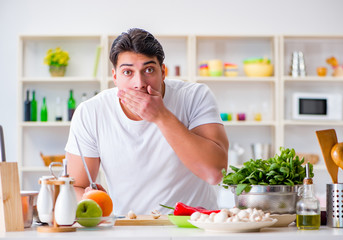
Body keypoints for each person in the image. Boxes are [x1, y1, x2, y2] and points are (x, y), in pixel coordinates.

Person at [65, 28, 229, 216]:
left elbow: (215, 173)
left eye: (149, 70)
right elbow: (76, 186)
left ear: (163, 72)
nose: (139, 83)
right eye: (128, 72)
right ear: (115, 77)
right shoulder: (90, 112)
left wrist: (161, 116)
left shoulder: (195, 97)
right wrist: (89, 199)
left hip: (194, 224)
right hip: (128, 226)